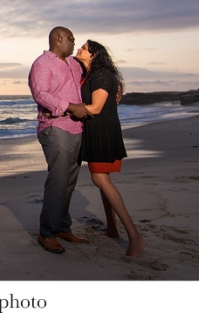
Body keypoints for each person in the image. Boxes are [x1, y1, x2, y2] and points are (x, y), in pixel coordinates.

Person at [75, 40, 146, 258]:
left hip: (102, 132)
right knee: (102, 179)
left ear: (94, 54)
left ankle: (135, 236)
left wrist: (63, 111)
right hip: (96, 130)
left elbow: (95, 107)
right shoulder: (90, 73)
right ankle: (112, 229)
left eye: (84, 48)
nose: (79, 49)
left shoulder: (102, 74)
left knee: (100, 179)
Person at [28, 27, 92, 253]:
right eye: (72, 39)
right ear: (60, 38)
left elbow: (88, 81)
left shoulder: (74, 64)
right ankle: (46, 233)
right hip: (54, 128)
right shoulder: (42, 64)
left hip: (77, 128)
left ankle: (63, 227)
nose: (74, 43)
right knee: (58, 180)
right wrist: (69, 108)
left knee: (69, 182)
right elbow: (41, 94)